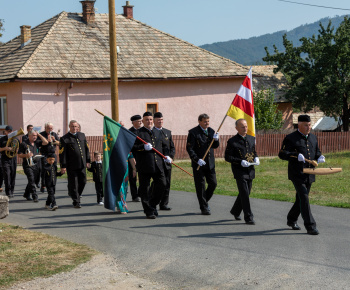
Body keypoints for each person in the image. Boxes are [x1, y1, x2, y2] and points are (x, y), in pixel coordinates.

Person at [278, 114, 325, 235]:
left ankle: (291, 219)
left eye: (309, 125)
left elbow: (317, 152)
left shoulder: (313, 138)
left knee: (300, 199)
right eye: (306, 125)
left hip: (310, 174)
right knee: (304, 197)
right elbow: (282, 154)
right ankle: (310, 226)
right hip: (297, 173)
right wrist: (294, 155)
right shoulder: (291, 138)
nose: (308, 127)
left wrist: (320, 157)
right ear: (299, 124)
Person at [132, 112, 171, 219]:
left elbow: (164, 146)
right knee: (144, 189)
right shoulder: (138, 133)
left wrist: (167, 156)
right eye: (146, 120)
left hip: (158, 164)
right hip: (144, 165)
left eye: (150, 119)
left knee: (162, 184)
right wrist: (142, 147)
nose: (149, 121)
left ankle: (152, 204)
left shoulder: (157, 132)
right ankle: (148, 211)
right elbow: (132, 147)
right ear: (143, 121)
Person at [224, 119, 259, 225]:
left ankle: (235, 210)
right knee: (244, 193)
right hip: (239, 170)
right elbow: (227, 157)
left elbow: (253, 152)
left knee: (246, 192)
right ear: (237, 128)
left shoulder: (251, 139)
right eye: (242, 127)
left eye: (246, 126)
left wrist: (256, 158)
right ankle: (248, 217)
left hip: (250, 169)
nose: (245, 128)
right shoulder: (232, 141)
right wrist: (240, 162)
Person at [186, 113, 219, 215]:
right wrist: (196, 159)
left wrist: (217, 140)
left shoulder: (211, 131)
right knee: (200, 186)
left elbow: (215, 146)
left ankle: (204, 201)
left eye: (208, 121)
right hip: (199, 164)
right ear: (199, 121)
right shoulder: (193, 132)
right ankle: (204, 207)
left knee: (213, 183)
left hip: (210, 163)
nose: (207, 123)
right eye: (205, 121)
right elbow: (190, 148)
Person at [59, 120, 90, 208]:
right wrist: (63, 166)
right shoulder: (65, 138)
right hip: (71, 165)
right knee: (74, 184)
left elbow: (86, 149)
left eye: (76, 126)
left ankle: (75, 194)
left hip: (82, 164)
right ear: (69, 127)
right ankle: (76, 201)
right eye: (72, 126)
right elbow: (62, 154)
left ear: (78, 127)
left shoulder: (82, 135)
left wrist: (88, 161)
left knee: (83, 181)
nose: (74, 128)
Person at [153, 112, 175, 210]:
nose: (160, 121)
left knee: (167, 183)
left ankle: (164, 203)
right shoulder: (152, 132)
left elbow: (172, 147)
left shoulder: (167, 132)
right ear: (154, 121)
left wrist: (171, 157)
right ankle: (152, 199)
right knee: (159, 183)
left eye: (161, 120)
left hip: (167, 162)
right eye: (158, 120)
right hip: (157, 162)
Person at [17, 130, 48, 202]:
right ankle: (34, 196)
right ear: (29, 136)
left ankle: (26, 194)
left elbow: (46, 142)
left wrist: (39, 134)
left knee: (33, 180)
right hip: (27, 165)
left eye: (35, 136)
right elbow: (19, 154)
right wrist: (26, 155)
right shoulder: (24, 144)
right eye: (33, 135)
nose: (35, 137)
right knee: (31, 179)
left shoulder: (37, 142)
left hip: (36, 164)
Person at [38, 122, 60, 193]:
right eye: (48, 128)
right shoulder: (41, 134)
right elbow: (38, 143)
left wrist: (54, 140)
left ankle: (53, 185)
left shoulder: (54, 134)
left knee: (54, 169)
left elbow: (59, 143)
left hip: (52, 154)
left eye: (51, 128)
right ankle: (43, 184)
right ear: (45, 128)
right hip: (45, 154)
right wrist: (46, 141)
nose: (50, 130)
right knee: (44, 170)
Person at [0, 126, 19, 198]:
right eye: (8, 131)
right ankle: (8, 192)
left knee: (13, 175)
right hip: (5, 158)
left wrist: (15, 150)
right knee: (7, 175)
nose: (9, 132)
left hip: (13, 159)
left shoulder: (15, 139)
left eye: (11, 131)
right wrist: (5, 148)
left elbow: (17, 149)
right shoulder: (2, 139)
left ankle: (12, 191)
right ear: (5, 132)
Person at [128, 114, 142, 202]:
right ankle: (134, 195)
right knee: (132, 177)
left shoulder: (143, 131)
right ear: (133, 122)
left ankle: (141, 192)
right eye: (139, 121)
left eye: (141, 121)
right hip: (132, 157)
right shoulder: (129, 132)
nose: (141, 122)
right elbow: (130, 146)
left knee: (143, 176)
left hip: (142, 157)